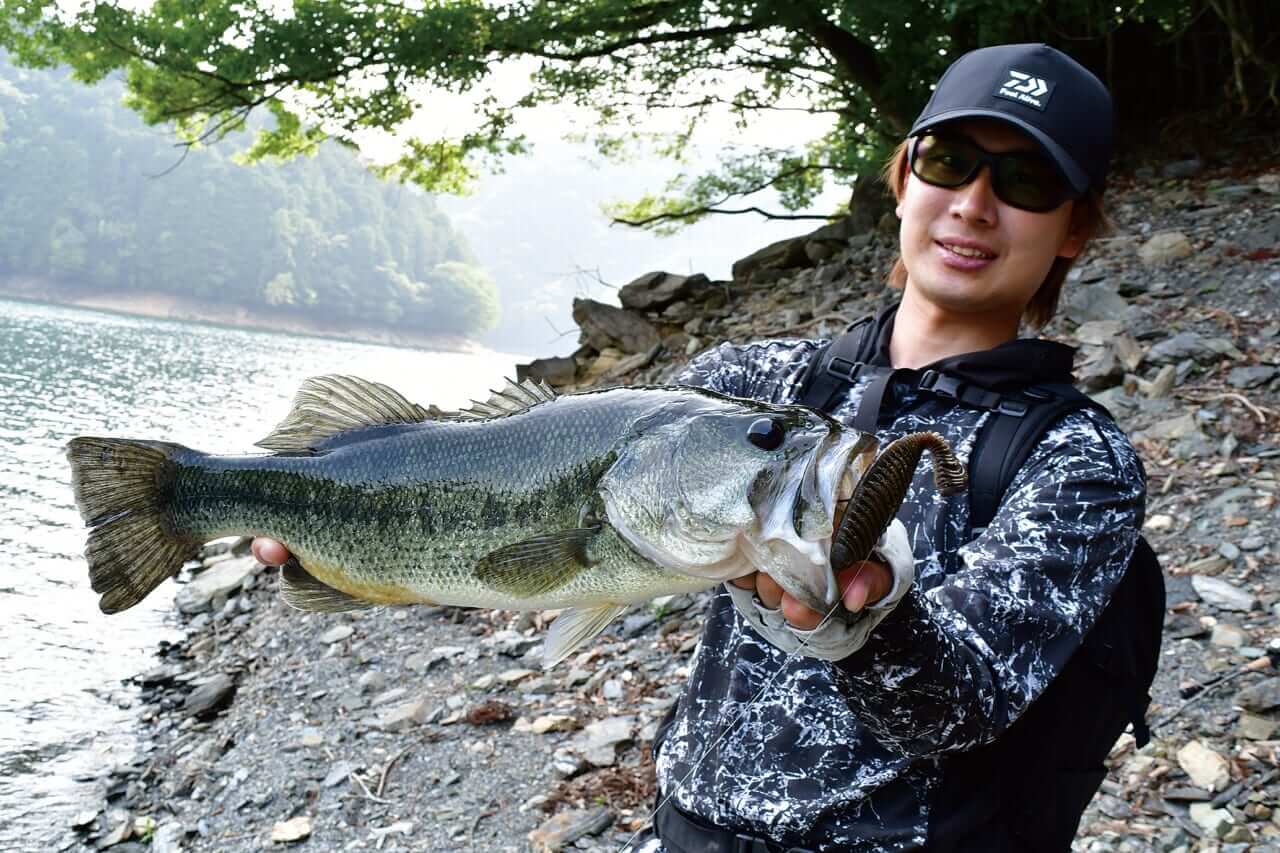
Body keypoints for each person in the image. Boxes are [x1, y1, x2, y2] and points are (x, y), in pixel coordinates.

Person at [253, 43, 1150, 852]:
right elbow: (522, 467)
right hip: (689, 829)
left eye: (1025, 180)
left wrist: (859, 624)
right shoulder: (758, 381)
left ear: (1075, 227)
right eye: (950, 161)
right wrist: (336, 518)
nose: (973, 205)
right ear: (904, 177)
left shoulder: (1076, 461)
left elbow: (964, 705)